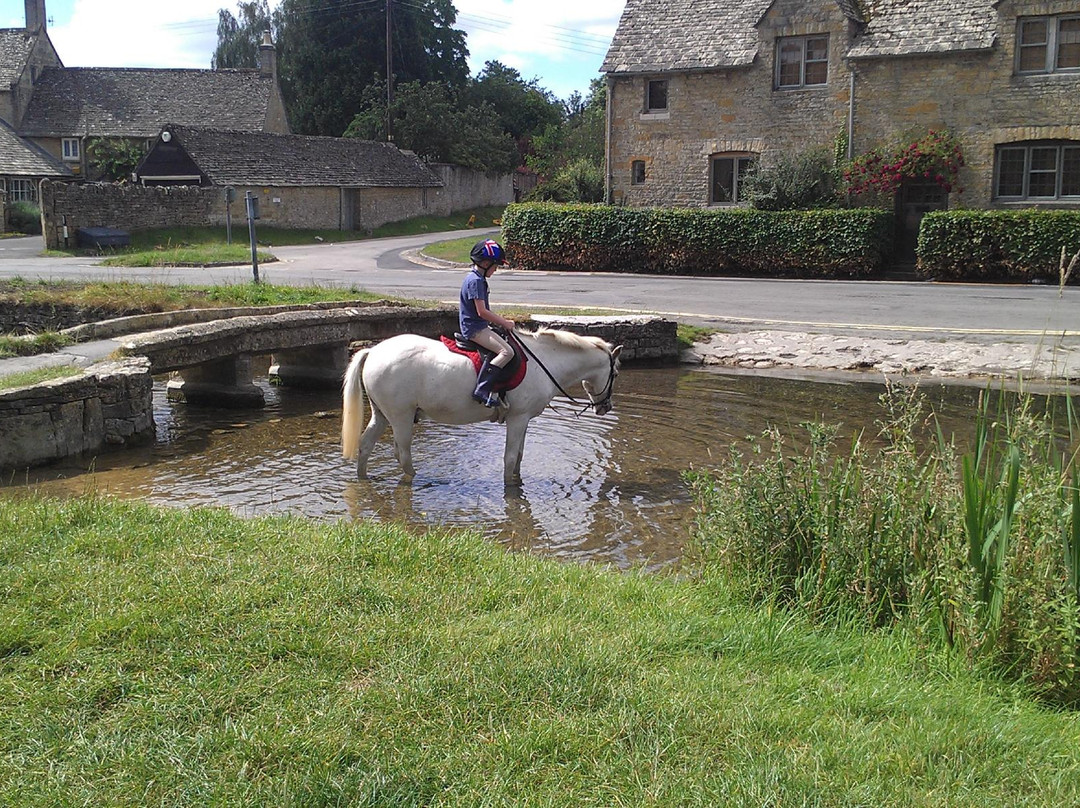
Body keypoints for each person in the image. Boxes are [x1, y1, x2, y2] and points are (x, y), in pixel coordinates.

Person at [459, 239, 516, 407]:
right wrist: (505, 322)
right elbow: (482, 311)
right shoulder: (475, 281)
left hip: (479, 325)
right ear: (485, 263)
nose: (496, 269)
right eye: (495, 265)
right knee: (507, 352)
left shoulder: (475, 277)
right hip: (475, 328)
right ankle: (482, 389)